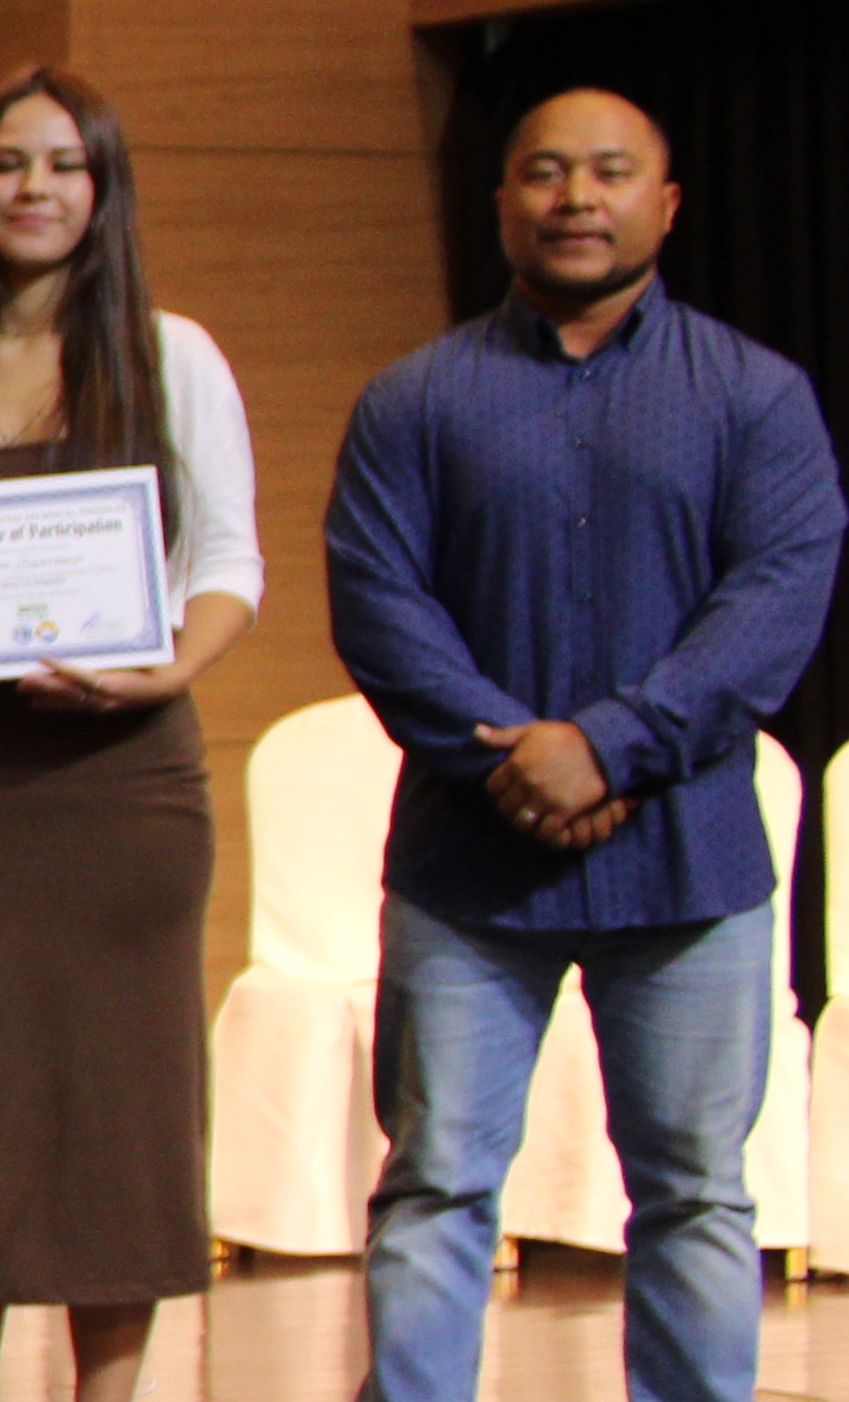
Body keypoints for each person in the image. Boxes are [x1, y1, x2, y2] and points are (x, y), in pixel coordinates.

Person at [329, 86, 839, 1402]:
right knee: (435, 1185)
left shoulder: (754, 397)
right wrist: (513, 752)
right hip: (465, 867)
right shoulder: (412, 400)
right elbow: (377, 601)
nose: (575, 197)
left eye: (609, 172)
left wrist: (608, 748)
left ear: (664, 204)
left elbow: (776, 596)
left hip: (687, 867)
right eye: (544, 173)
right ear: (500, 203)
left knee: (693, 1198)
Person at [0, 69, 259, 1402]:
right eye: (8, 164)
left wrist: (161, 673)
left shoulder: (171, 353)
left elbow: (230, 562)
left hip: (122, 781)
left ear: (102, 189)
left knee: (116, 1111)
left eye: (64, 165)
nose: (34, 189)